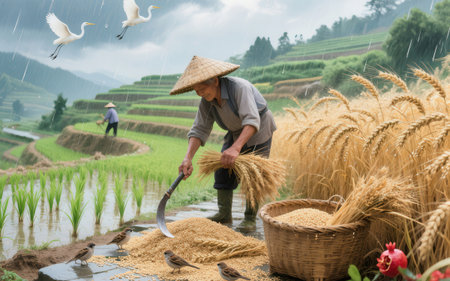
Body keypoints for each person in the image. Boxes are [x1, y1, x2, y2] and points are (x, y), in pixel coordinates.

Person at [170, 56, 277, 232]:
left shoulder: (239, 88)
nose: (200, 94)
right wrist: (187, 158)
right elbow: (199, 130)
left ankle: (250, 218)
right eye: (196, 90)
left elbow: (252, 120)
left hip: (258, 129)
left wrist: (235, 148)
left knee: (254, 175)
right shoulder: (207, 101)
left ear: (216, 81)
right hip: (235, 132)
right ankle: (224, 214)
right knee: (222, 169)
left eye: (203, 88)